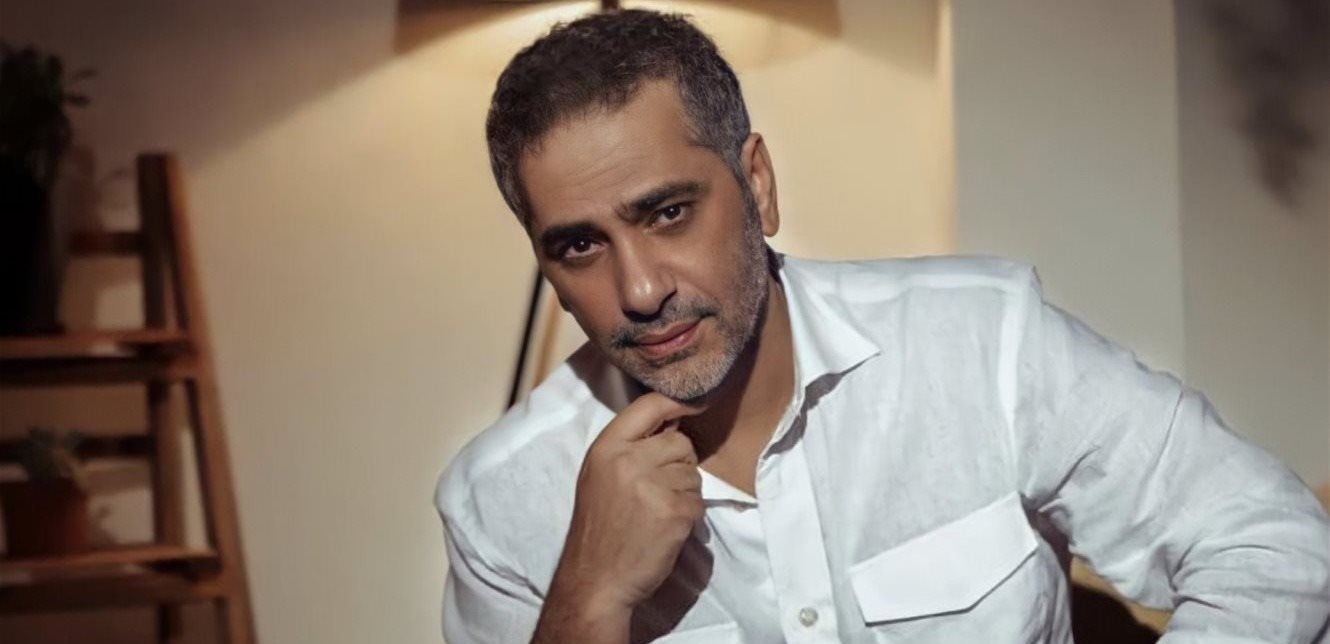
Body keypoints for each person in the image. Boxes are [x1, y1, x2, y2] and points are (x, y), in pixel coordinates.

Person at [435, 9, 1329, 643]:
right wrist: (586, 603)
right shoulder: (501, 504)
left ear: (757, 185)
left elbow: (1271, 545)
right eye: (580, 246)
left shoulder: (980, 343)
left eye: (668, 213)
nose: (638, 290)